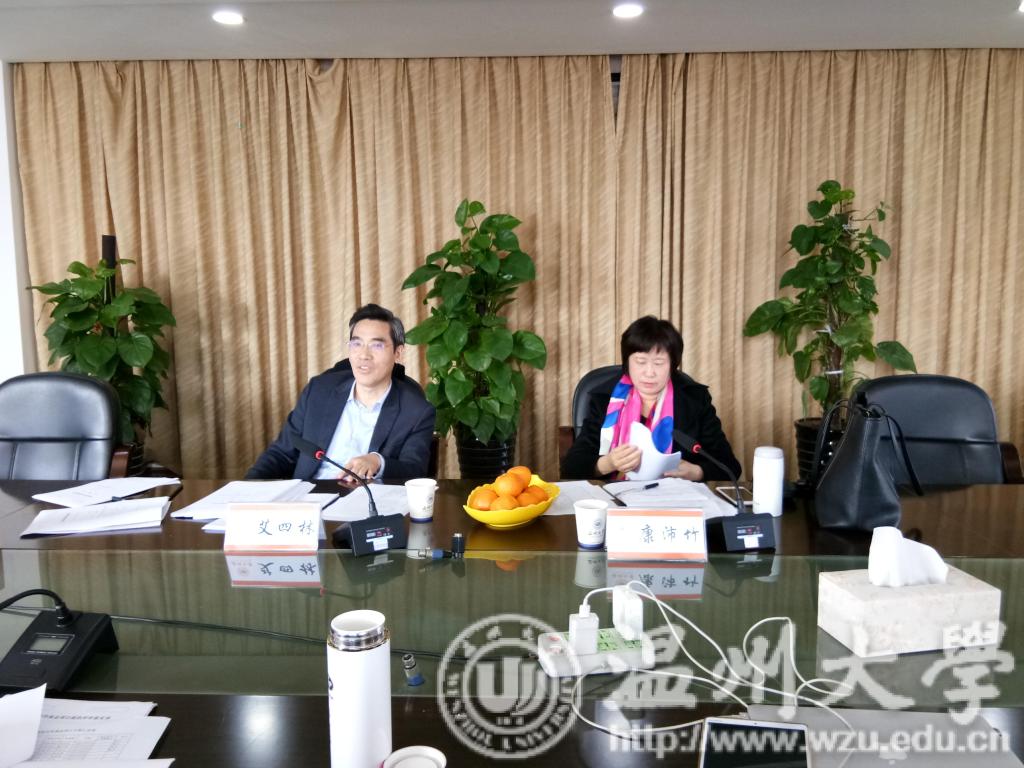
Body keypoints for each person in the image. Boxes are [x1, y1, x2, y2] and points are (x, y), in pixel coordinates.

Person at [246, 304, 436, 482]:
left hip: (367, 500)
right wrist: (246, 487)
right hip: (309, 496)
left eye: (376, 345)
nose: (364, 355)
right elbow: (282, 453)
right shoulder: (318, 392)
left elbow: (414, 471)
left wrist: (378, 462)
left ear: (398, 353)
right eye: (356, 344)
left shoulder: (416, 412)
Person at [561, 316, 741, 481]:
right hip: (615, 499)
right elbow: (571, 468)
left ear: (673, 365)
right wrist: (609, 463)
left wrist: (697, 472)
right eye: (640, 362)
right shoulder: (605, 400)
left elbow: (730, 467)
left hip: (675, 500)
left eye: (659, 363)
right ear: (627, 362)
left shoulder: (694, 400)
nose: (649, 372)